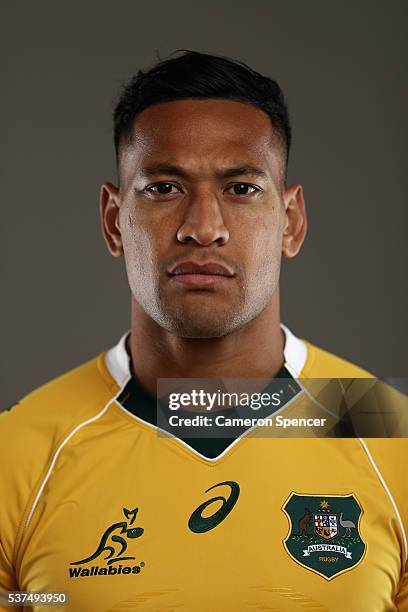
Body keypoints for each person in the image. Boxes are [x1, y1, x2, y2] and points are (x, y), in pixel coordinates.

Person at [0, 50, 407, 612]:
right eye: (164, 188)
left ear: (291, 221)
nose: (203, 228)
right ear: (113, 220)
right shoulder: (17, 450)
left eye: (241, 189)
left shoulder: (390, 431)